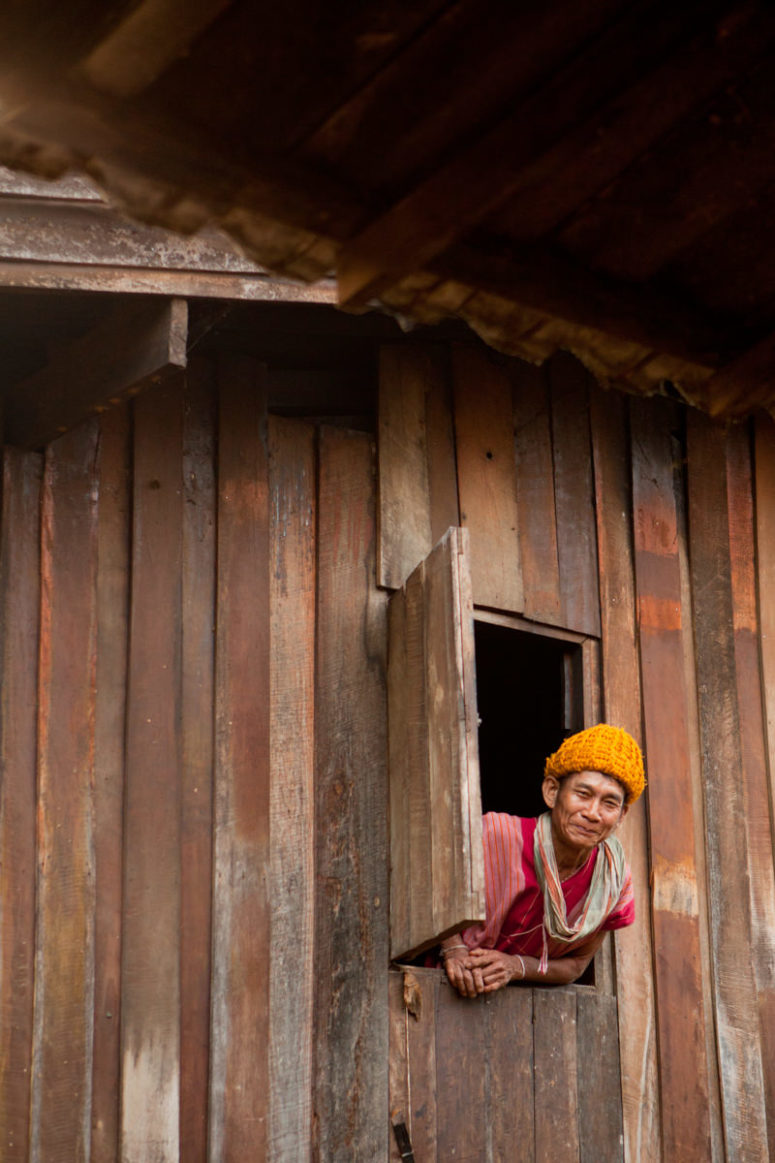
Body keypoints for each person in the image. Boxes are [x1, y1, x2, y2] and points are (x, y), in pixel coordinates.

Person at [440, 723, 645, 997]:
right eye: (583, 794)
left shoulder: (613, 877)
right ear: (552, 791)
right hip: (443, 990)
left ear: (621, 815)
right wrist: (452, 949)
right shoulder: (495, 835)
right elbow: (429, 885)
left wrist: (515, 966)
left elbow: (576, 965)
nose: (593, 813)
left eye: (609, 803)